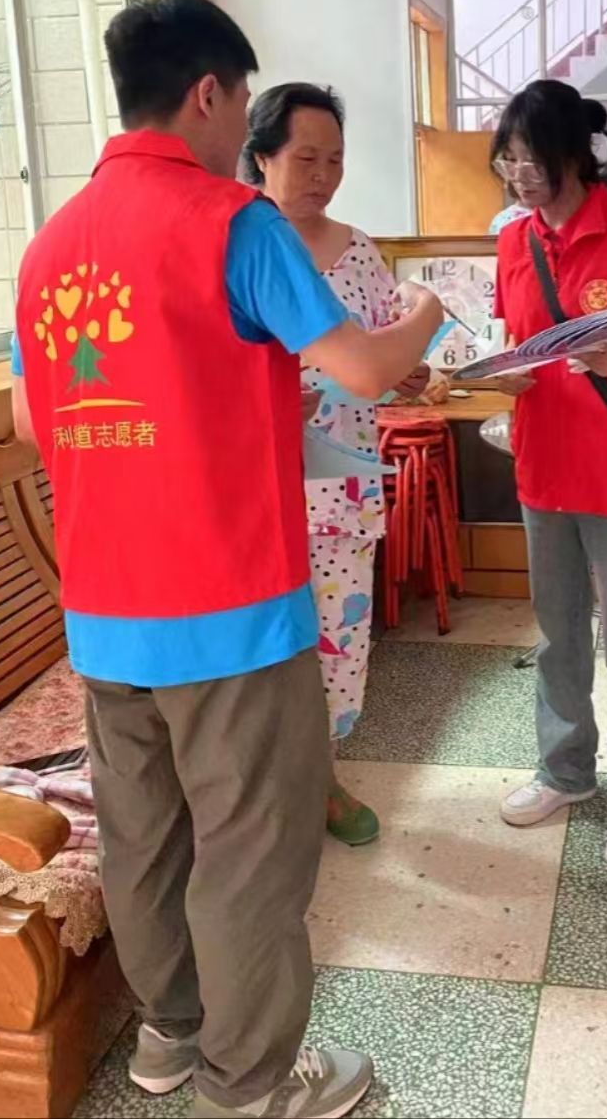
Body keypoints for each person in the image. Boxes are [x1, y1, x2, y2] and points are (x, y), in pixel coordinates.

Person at [10, 0, 443, 1119]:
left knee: (144, 836)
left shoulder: (51, 245)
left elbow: (32, 419)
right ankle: (248, 1086)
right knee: (252, 846)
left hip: (104, 611)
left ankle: (171, 1038)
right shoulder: (232, 223)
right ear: (209, 93)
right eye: (243, 100)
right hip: (230, 608)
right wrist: (425, 313)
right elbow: (365, 369)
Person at [490, 80, 607, 873]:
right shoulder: (513, 241)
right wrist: (503, 376)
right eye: (509, 160)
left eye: (532, 159)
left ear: (573, 153)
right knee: (554, 632)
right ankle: (565, 770)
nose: (520, 175)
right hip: (542, 459)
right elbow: (517, 338)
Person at [241, 82, 428, 847]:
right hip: (254, 492)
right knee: (261, 652)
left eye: (335, 160)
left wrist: (407, 369)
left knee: (338, 644)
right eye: (306, 158)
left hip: (342, 487)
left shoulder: (360, 253)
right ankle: (266, 793)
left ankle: (324, 780)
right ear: (261, 158)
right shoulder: (238, 244)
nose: (323, 175)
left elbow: (388, 352)